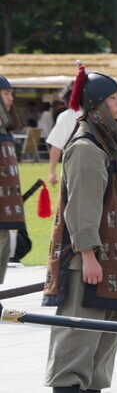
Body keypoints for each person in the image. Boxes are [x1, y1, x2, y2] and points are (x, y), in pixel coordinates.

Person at [43, 65, 117, 393]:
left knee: (99, 354)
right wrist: (88, 256)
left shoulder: (105, 146)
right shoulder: (86, 147)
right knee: (76, 348)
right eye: (113, 99)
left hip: (108, 264)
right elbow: (81, 209)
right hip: (86, 265)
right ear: (96, 104)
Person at [0, 73, 26, 285]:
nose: (11, 98)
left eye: (11, 94)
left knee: (4, 248)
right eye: (6, 93)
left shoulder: (5, 131)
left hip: (4, 208)